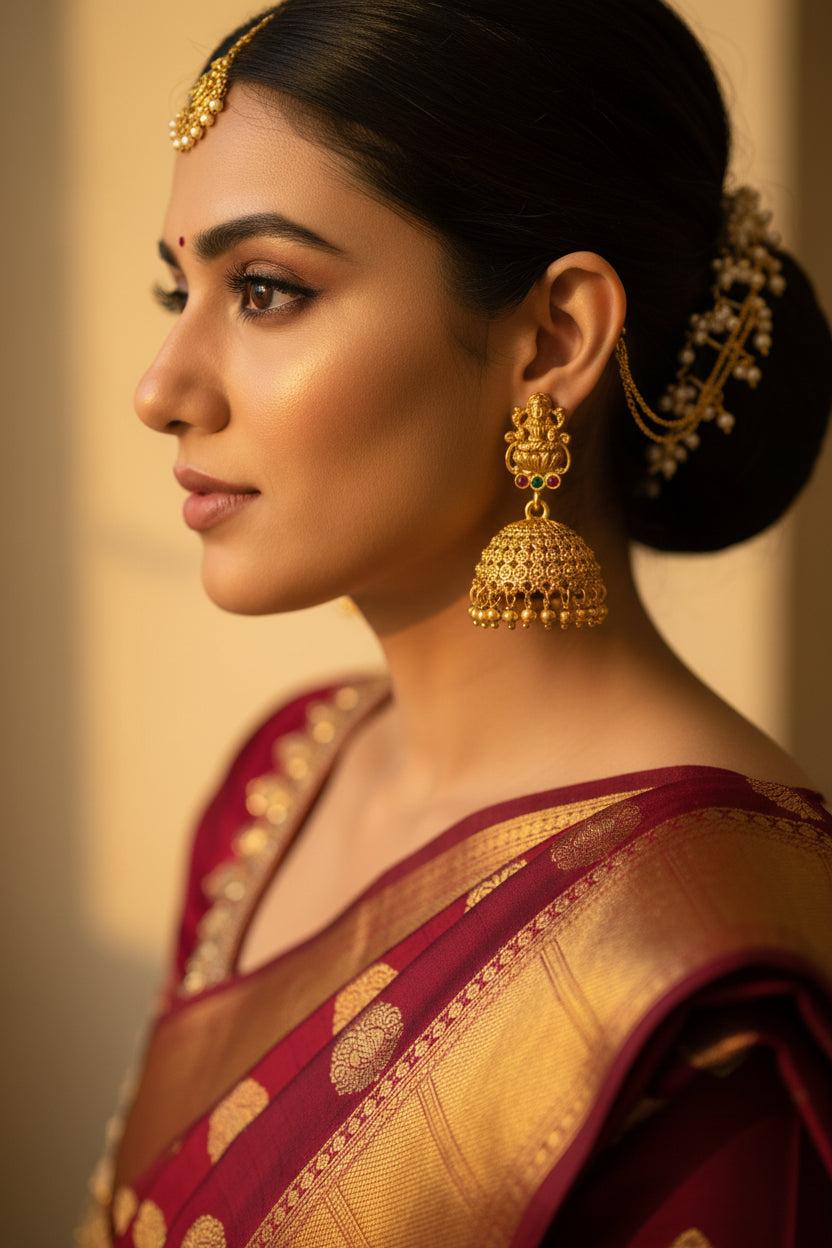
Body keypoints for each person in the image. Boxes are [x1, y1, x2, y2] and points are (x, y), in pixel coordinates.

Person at [78, 1, 832, 1244]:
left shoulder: (704, 976)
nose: (161, 389)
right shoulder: (279, 781)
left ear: (552, 340)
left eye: (264, 290)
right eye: (180, 286)